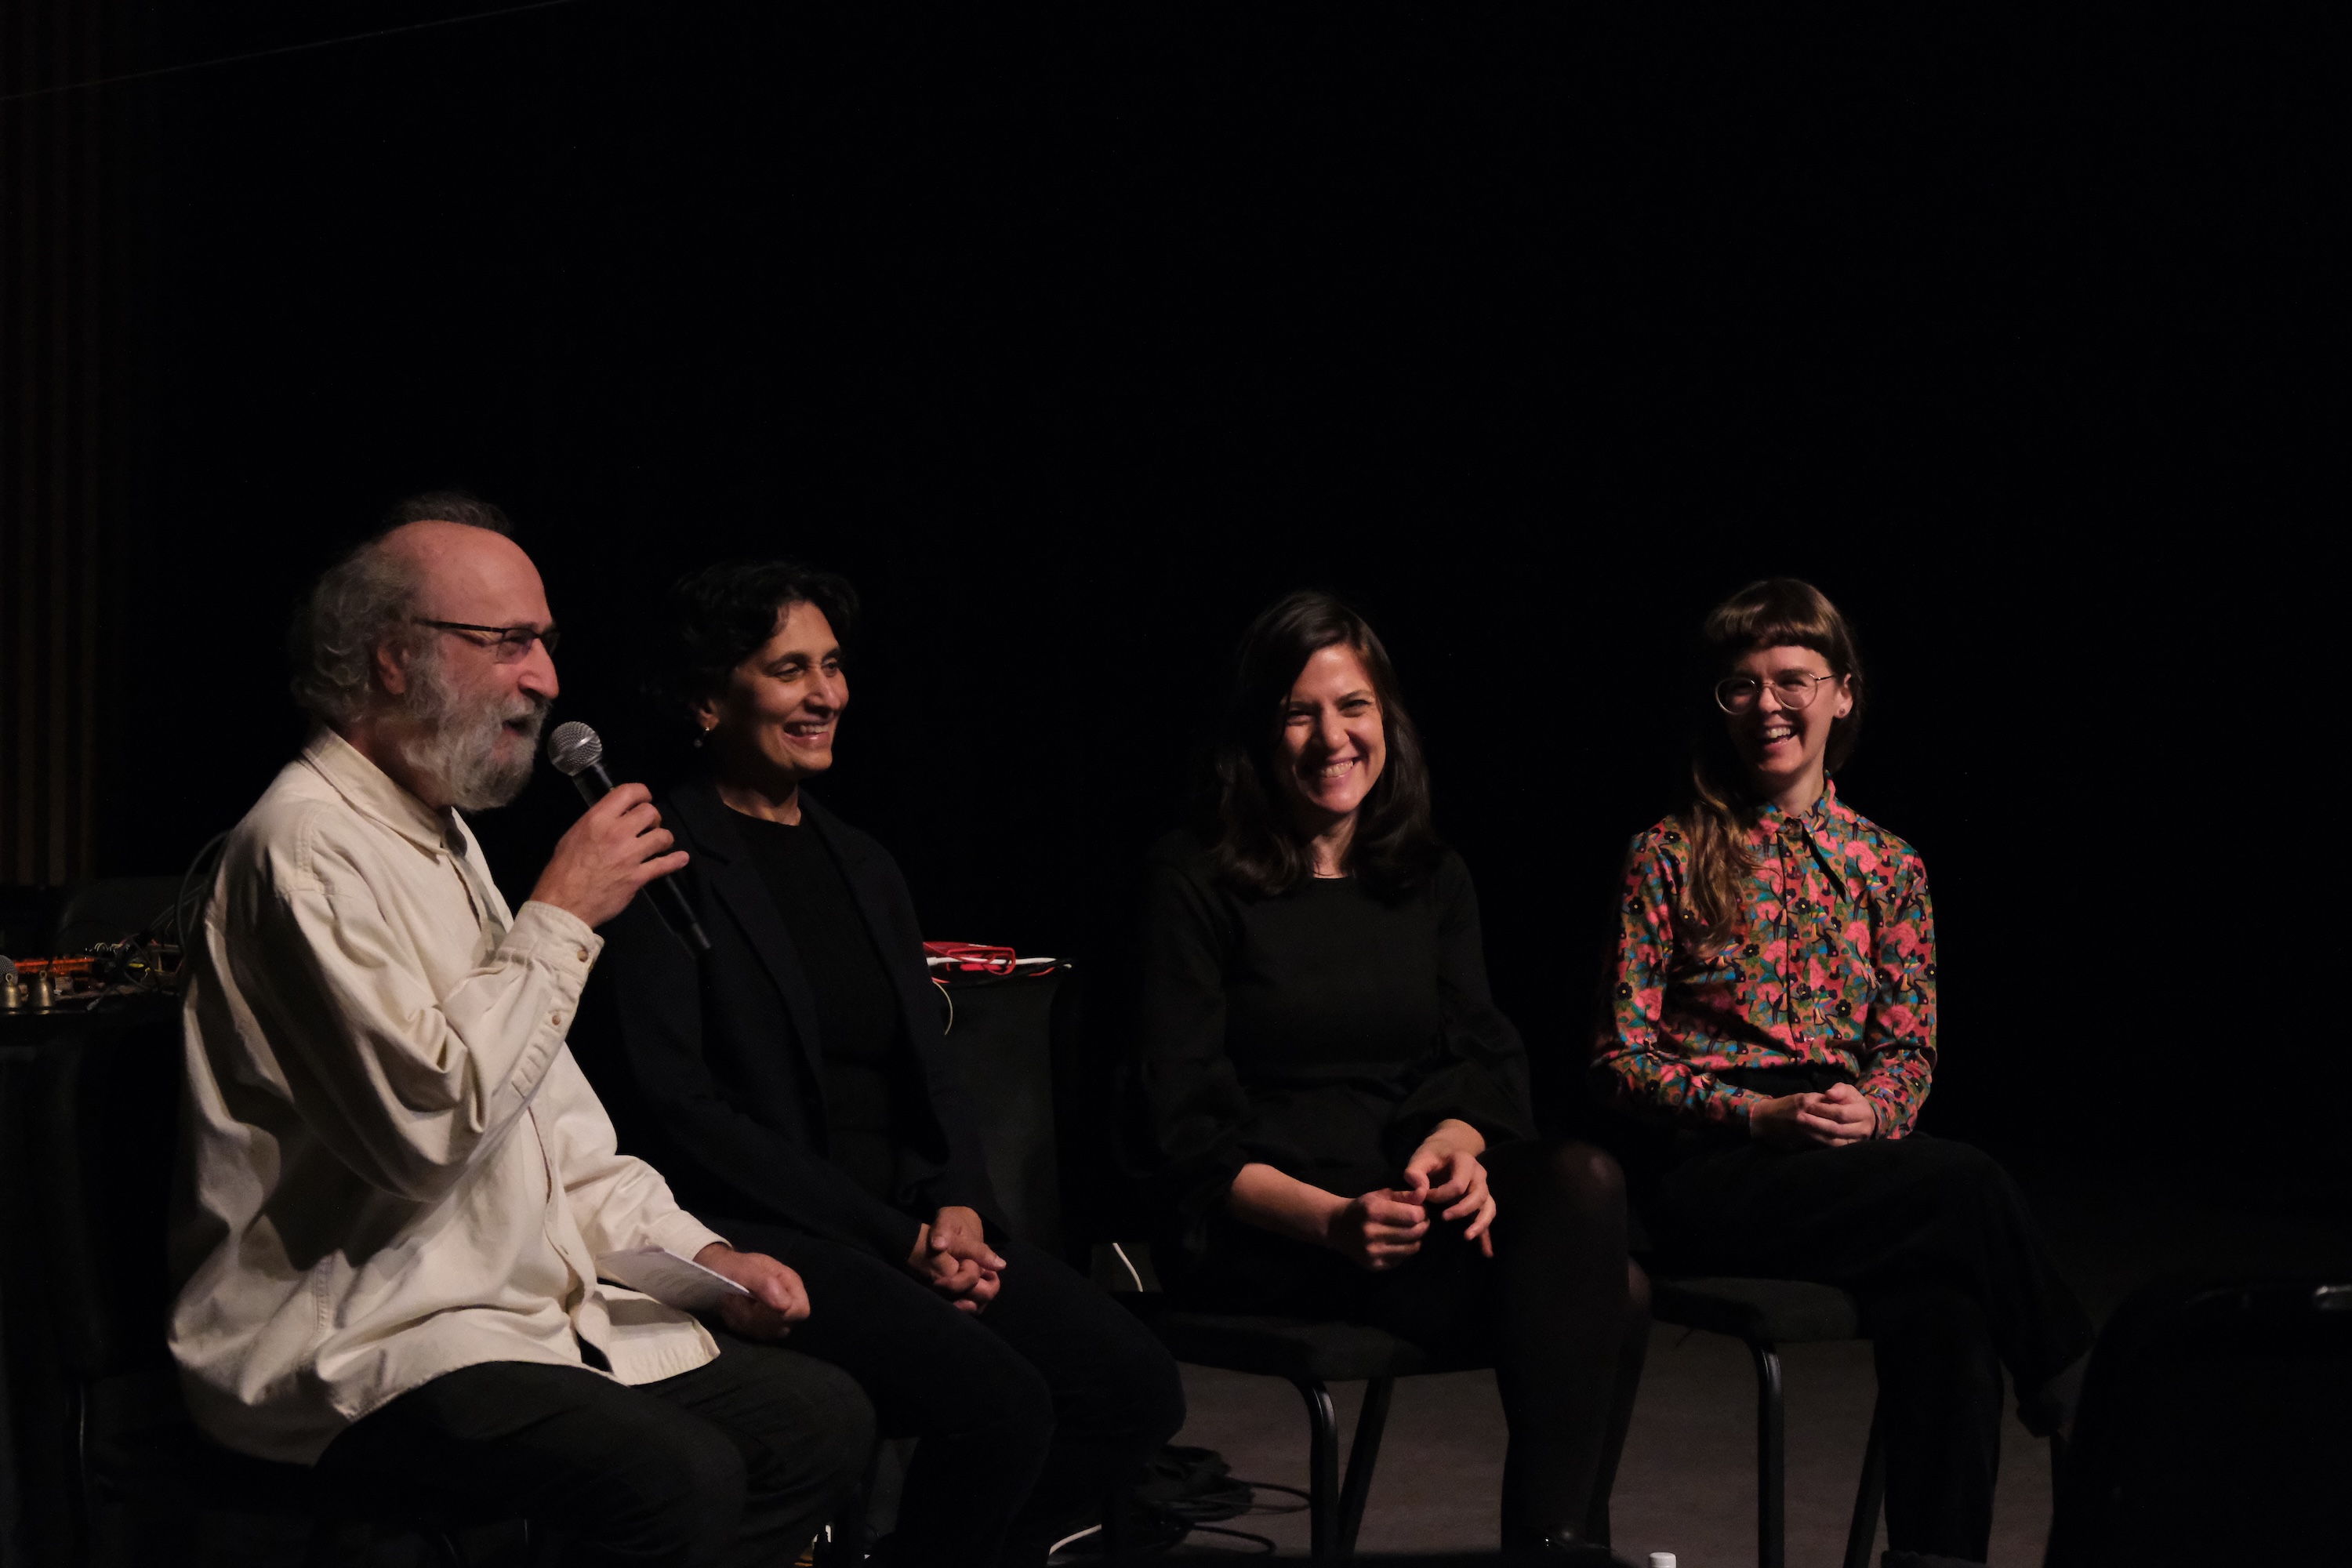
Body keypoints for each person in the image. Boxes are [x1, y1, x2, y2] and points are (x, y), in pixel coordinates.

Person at [171, 496, 874, 1567]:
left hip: (502, 1315)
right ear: (394, 660)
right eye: (507, 643)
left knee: (820, 1423)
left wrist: (704, 1255)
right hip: (367, 1336)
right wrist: (558, 920)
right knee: (674, 1479)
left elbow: (554, 1135)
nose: (545, 678)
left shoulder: (439, 833)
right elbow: (427, 1133)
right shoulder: (304, 846)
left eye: (544, 643)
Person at [568, 560, 1185, 1568]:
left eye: (834, 666)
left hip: (903, 1218)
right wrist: (897, 1240)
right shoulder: (659, 857)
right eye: (788, 669)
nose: (825, 694)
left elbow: (932, 1070)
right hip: (765, 1225)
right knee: (999, 1400)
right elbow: (684, 1111)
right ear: (705, 699)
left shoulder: (861, 860)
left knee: (1133, 1384)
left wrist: (960, 1205)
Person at [1125, 590, 1648, 1556]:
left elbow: (1482, 1053)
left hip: (1404, 1206)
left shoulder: (1427, 874)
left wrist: (1457, 1148)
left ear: (1388, 719)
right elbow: (1182, 1127)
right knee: (1609, 1291)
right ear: (1258, 730)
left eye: (1353, 705)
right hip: (1270, 1223)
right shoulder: (1193, 878)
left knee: (1583, 1184)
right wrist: (1330, 1218)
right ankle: (1559, 1546)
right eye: (1299, 710)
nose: (1333, 736)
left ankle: (1553, 1542)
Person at [1592, 576, 2096, 1568]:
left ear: (1844, 693)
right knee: (1969, 1181)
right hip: (1717, 1164)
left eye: (1792, 680)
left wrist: (1875, 1110)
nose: (1768, 706)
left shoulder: (1888, 866)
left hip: (1846, 1158)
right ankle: (2086, 1392)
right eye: (1742, 686)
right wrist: (1760, 1116)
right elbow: (1621, 1057)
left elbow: (1908, 1047)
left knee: (1953, 1318)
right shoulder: (1668, 852)